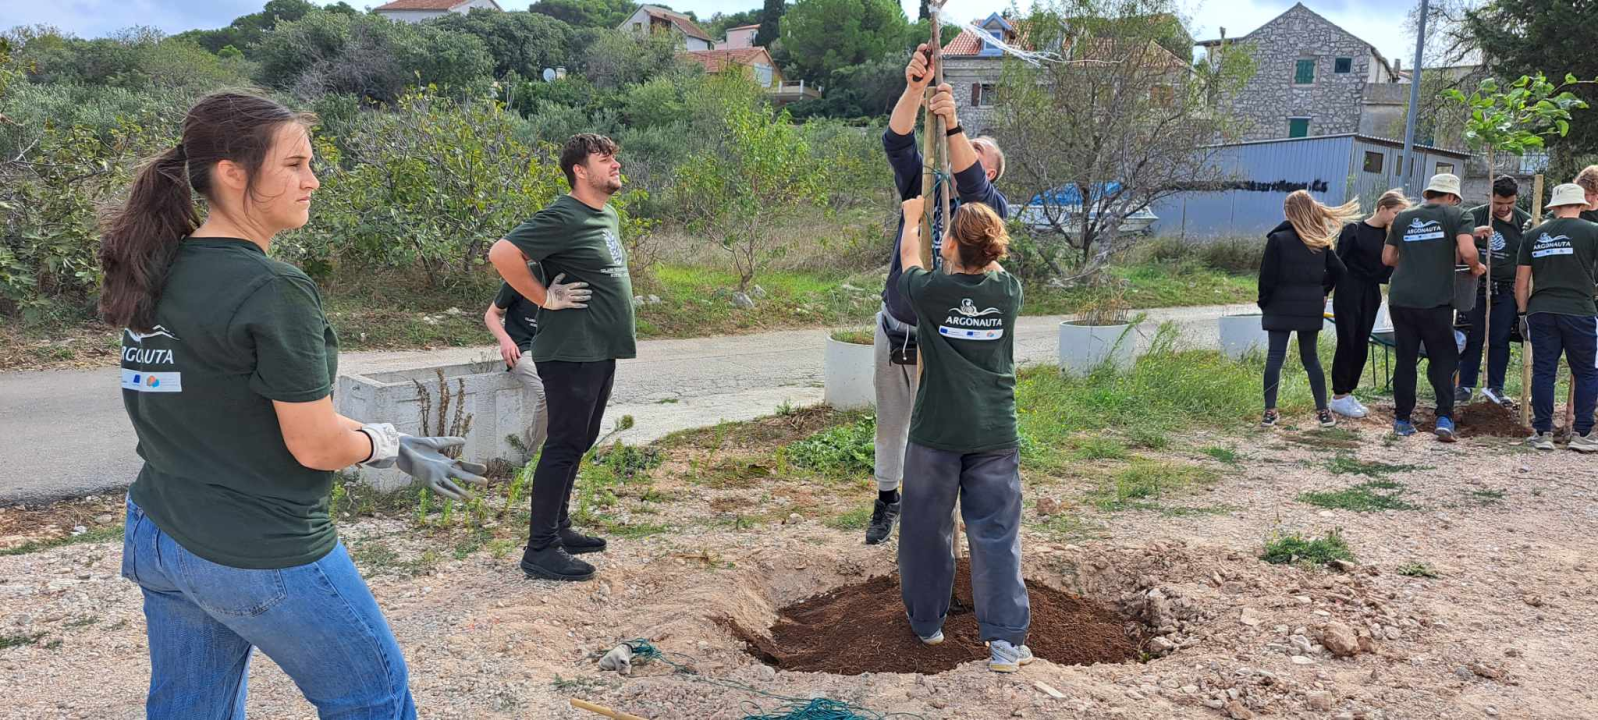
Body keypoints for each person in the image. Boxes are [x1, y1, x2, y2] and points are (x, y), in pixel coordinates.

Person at [102, 92, 486, 718]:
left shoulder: (159, 266)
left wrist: (374, 437)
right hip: (255, 545)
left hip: (159, 532)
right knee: (374, 698)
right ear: (232, 173)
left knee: (192, 709)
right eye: (294, 164)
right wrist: (383, 442)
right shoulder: (273, 288)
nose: (313, 181)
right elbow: (315, 444)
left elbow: (231, 404)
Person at [867, 42, 1010, 546]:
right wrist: (915, 90)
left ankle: (934, 519)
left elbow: (970, 184)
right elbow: (896, 140)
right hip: (897, 325)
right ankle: (888, 497)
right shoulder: (924, 184)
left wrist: (954, 124)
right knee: (891, 423)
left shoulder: (988, 208)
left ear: (988, 170)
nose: (962, 153)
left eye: (977, 151)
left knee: (935, 437)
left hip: (946, 345)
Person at [487, 133, 634, 582]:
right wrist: (544, 298)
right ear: (579, 170)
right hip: (570, 352)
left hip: (598, 348)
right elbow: (503, 253)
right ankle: (540, 548)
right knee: (563, 445)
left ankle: (560, 527)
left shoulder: (605, 214)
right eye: (604, 159)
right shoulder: (563, 214)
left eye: (615, 157)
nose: (615, 164)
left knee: (581, 439)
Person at [893, 196, 1030, 673]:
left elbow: (909, 260)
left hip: (936, 434)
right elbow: (988, 268)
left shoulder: (931, 292)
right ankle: (1006, 643)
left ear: (950, 245)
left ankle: (927, 623)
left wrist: (912, 220)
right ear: (993, 250)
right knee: (996, 535)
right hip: (994, 434)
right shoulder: (1008, 291)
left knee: (925, 529)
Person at [1382, 173, 1486, 441]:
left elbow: (1388, 258)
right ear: (1452, 196)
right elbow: (1467, 251)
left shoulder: (1403, 217)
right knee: (1443, 358)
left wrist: (1414, 262)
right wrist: (1475, 267)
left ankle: (1402, 421)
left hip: (1401, 299)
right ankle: (1444, 418)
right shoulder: (1459, 215)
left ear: (1429, 193)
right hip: (1435, 301)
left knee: (1406, 359)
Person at [1515, 183, 1598, 452]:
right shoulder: (1593, 231)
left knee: (1544, 371)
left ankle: (1543, 433)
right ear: (1582, 205)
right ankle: (1583, 434)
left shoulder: (1533, 235)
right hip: (1580, 310)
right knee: (1586, 372)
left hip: (1541, 310)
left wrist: (1523, 313)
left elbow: (1521, 282)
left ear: (1555, 206)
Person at [1258, 190, 1350, 428]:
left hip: (1279, 303)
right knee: (1311, 358)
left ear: (1288, 212)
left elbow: (1266, 278)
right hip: (1310, 305)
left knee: (1275, 357)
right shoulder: (1320, 241)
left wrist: (1264, 302)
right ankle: (1323, 412)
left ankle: (1270, 412)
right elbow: (1340, 271)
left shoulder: (1277, 240)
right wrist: (1323, 290)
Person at [1329, 189, 1408, 417]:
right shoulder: (1353, 230)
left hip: (1372, 291)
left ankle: (1348, 391)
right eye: (1396, 212)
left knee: (1362, 342)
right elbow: (1337, 263)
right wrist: (1325, 290)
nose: (1397, 218)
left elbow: (1389, 267)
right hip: (1348, 289)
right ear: (1382, 208)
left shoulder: (1390, 236)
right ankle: (1338, 394)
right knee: (1347, 340)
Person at [485, 264, 576, 458]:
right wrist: (505, 340)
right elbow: (491, 314)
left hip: (557, 352)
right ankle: (534, 458)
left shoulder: (571, 275)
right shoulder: (522, 273)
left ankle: (568, 453)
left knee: (589, 389)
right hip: (524, 350)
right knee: (550, 394)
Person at [1458, 176, 1531, 406]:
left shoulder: (1525, 222)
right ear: (1490, 197)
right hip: (1476, 287)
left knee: (1500, 338)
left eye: (1509, 203)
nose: (1504, 208)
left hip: (1507, 290)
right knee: (1472, 336)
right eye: (1499, 203)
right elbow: (1458, 245)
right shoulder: (1473, 217)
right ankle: (1464, 385)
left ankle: (1495, 387)